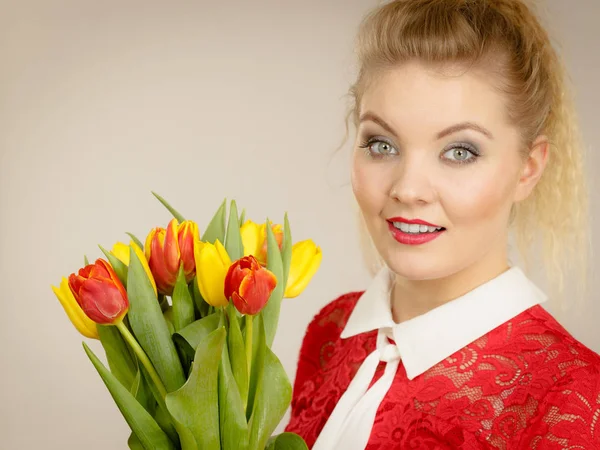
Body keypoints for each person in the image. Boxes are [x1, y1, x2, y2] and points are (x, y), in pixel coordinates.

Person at [285, 0, 600, 448]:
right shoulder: (331, 331)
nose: (409, 189)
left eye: (460, 152)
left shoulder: (575, 400)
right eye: (382, 144)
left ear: (528, 169)